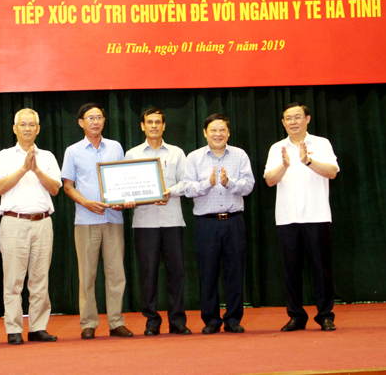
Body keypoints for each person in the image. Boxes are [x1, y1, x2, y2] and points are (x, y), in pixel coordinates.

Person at [61, 103, 134, 340]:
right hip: (86, 220)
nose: (95, 121)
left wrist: (122, 200)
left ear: (104, 120)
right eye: (90, 118)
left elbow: (123, 179)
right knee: (87, 274)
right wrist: (85, 203)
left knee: (116, 273)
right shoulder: (73, 151)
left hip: (114, 218)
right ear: (81, 123)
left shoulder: (115, 147)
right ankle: (88, 323)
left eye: (99, 117)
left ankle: (116, 322)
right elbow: (68, 186)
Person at [264, 102, 339, 332]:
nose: (293, 122)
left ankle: (325, 315)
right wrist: (285, 166)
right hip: (287, 217)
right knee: (291, 270)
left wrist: (308, 161)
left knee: (322, 269)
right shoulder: (277, 148)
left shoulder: (322, 144)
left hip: (317, 215)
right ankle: (296, 316)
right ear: (283, 122)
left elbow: (332, 172)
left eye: (297, 117)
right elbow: (269, 180)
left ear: (307, 119)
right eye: (288, 118)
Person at [0, 109, 61, 345]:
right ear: (15, 128)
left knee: (40, 279)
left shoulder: (47, 157)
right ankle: (13, 328)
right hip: (14, 222)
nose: (27, 128)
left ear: (38, 129)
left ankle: (38, 327)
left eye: (32, 124)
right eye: (23, 124)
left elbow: (55, 189)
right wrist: (23, 169)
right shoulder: (4, 156)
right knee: (13, 280)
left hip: (42, 222)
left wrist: (36, 169)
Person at [184, 113, 255, 334]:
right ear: (205, 133)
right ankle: (211, 320)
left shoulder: (239, 155)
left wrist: (228, 183)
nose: (218, 134)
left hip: (234, 221)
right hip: (207, 223)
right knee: (208, 273)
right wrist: (208, 183)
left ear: (228, 133)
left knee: (235, 272)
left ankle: (233, 319)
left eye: (222, 130)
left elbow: (249, 185)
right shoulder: (194, 157)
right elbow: (187, 189)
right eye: (213, 130)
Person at [125, 108, 191, 336]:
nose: (153, 126)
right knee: (148, 274)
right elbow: (127, 186)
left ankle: (177, 321)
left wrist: (169, 192)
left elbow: (186, 183)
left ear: (164, 126)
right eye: (149, 122)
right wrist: (129, 198)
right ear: (142, 126)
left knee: (176, 273)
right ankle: (151, 321)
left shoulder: (177, 153)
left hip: (172, 221)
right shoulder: (132, 154)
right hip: (145, 223)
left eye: (158, 122)